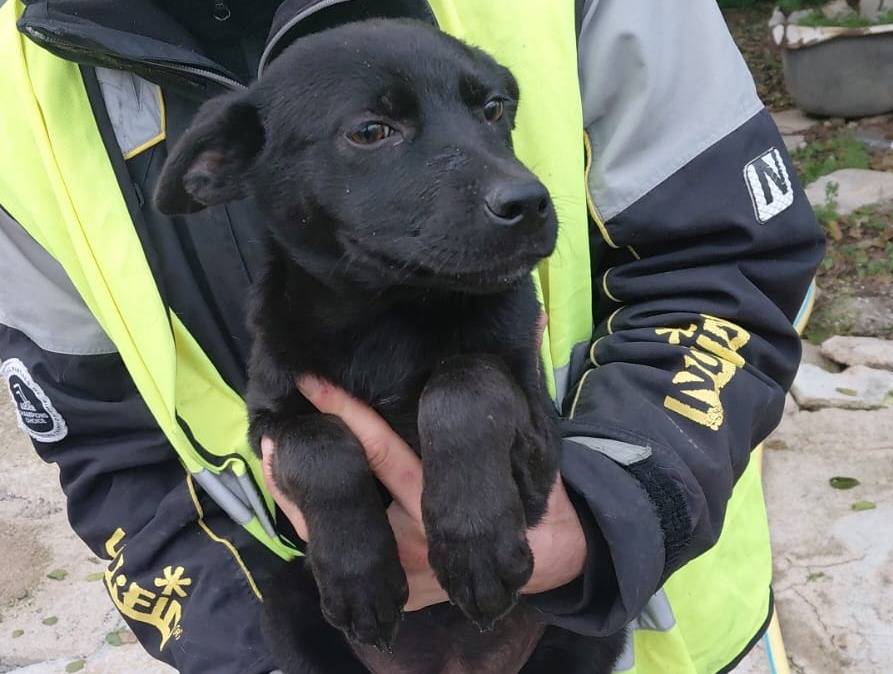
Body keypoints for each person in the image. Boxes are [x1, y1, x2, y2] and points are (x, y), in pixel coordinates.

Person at [0, 0, 824, 672]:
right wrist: (263, 657)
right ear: (214, 169)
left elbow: (730, 260)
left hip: (631, 635)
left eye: (490, 109)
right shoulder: (20, 89)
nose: (513, 183)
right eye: (372, 131)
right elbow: (100, 439)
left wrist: (612, 512)